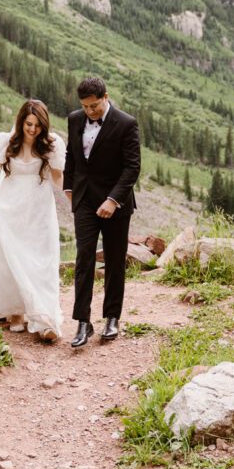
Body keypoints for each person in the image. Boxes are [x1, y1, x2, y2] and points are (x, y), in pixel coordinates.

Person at [0, 99, 65, 342]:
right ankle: (15, 313)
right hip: (9, 207)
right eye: (28, 124)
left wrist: (76, 199)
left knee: (42, 259)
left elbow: (58, 178)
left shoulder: (51, 146)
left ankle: (45, 319)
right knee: (9, 259)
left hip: (39, 209)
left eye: (37, 125)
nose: (32, 129)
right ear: (21, 121)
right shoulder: (6, 143)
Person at [63, 76, 141, 348]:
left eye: (94, 106)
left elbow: (132, 167)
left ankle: (112, 317)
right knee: (84, 257)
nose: (90, 111)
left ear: (105, 97)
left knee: (114, 260)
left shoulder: (126, 123)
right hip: (84, 200)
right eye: (85, 107)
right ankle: (83, 322)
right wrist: (68, 187)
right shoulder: (74, 119)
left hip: (115, 203)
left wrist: (112, 200)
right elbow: (71, 156)